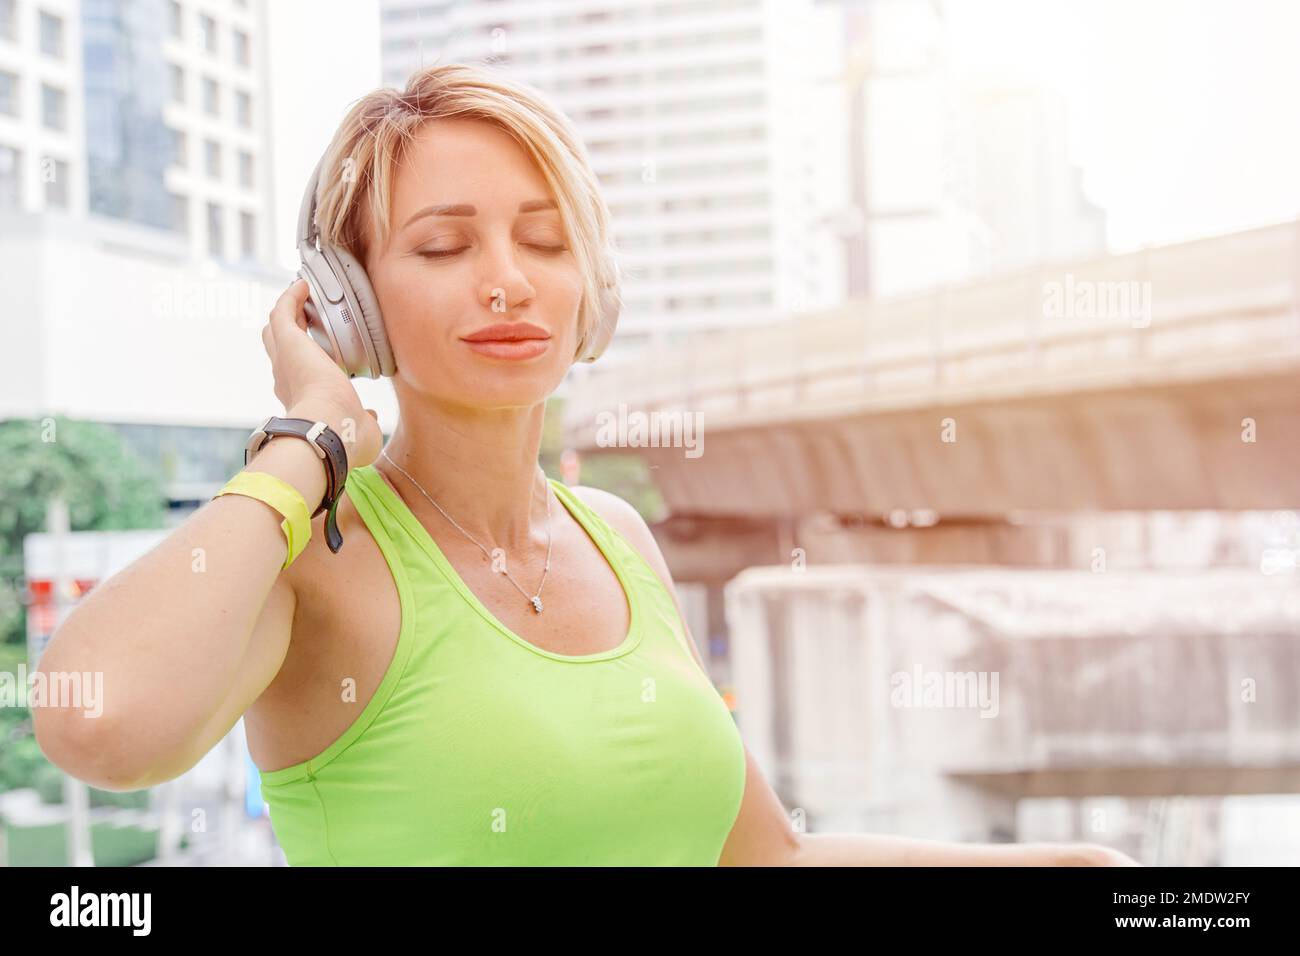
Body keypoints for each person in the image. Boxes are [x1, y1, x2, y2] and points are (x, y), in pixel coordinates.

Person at [33, 62, 1137, 867]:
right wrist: (310, 433)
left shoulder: (617, 533)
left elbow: (767, 860)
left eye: (546, 240)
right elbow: (98, 723)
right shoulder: (321, 558)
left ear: (590, 288)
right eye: (443, 245)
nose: (509, 280)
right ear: (349, 302)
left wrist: (1073, 873)